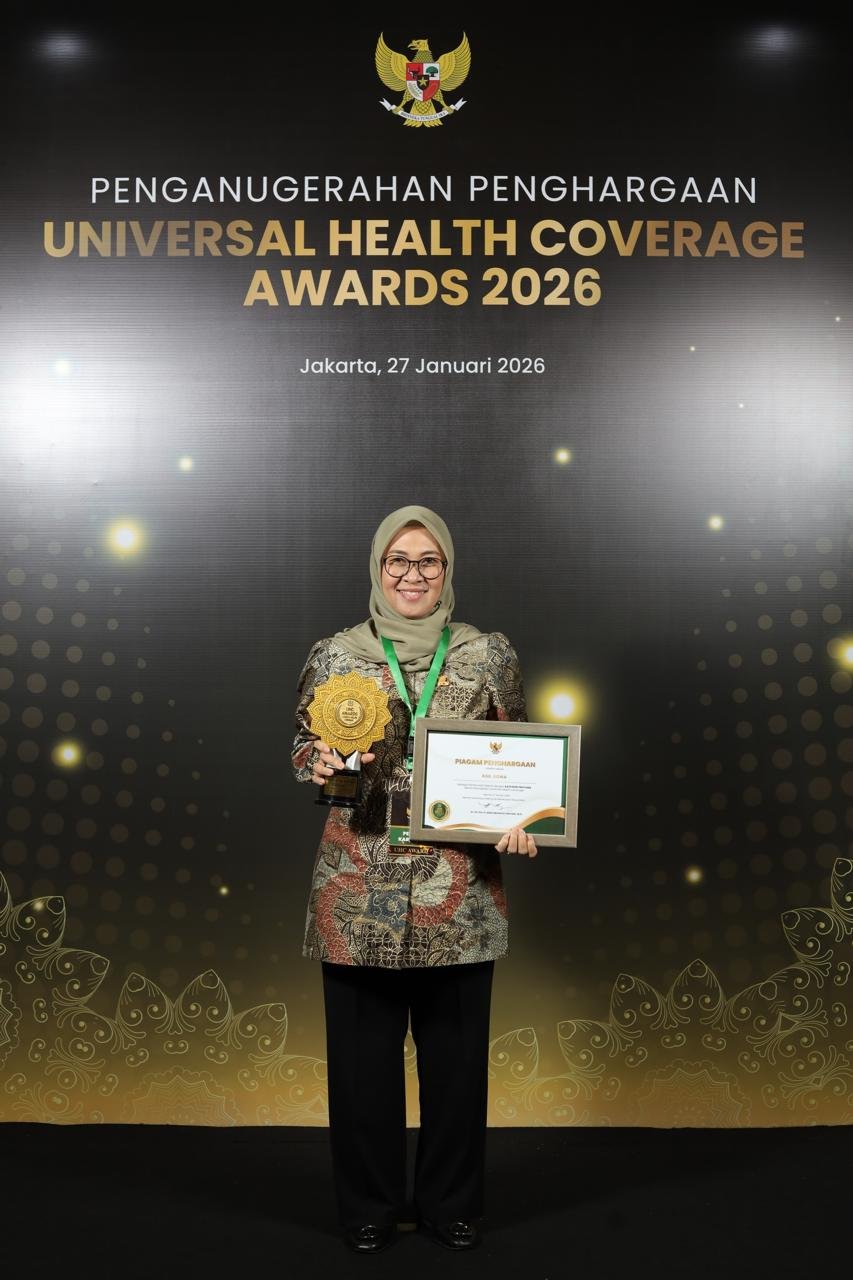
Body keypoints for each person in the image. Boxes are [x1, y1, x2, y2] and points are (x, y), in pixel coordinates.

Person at [291, 504, 537, 1254]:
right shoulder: (334, 656)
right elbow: (302, 747)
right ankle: (367, 1206)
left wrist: (523, 813)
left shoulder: (487, 655)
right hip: (356, 889)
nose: (412, 574)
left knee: (456, 1067)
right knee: (361, 1069)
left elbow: (519, 751)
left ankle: (449, 1202)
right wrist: (319, 763)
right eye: (397, 560)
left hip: (457, 894)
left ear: (446, 570)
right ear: (378, 567)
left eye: (428, 561)